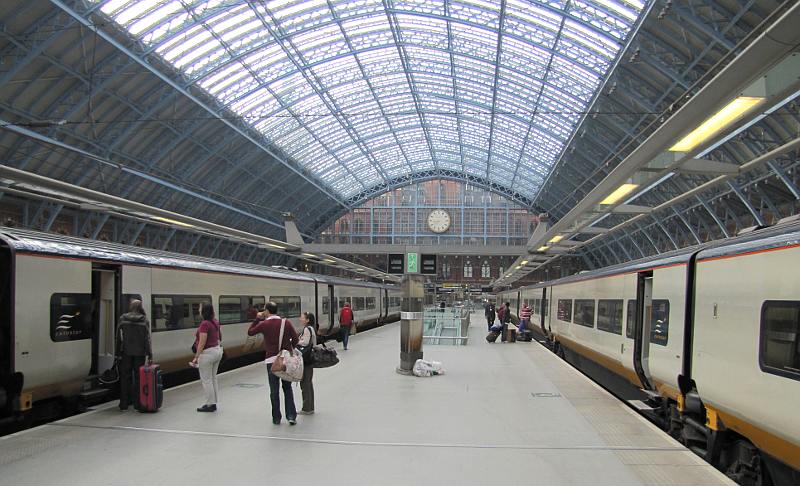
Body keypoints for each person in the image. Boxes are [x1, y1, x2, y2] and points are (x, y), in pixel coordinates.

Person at [248, 301, 299, 425]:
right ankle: (291, 415)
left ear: (266, 311)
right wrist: (289, 351)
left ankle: (276, 418)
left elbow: (250, 332)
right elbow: (296, 339)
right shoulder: (286, 323)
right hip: (285, 361)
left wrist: (257, 319)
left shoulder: (264, 324)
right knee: (287, 388)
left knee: (274, 390)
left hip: (271, 362)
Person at [116, 299, 152, 411]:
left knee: (125, 378)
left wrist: (117, 352)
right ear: (140, 307)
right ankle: (137, 403)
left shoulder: (123, 319)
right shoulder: (144, 320)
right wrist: (150, 354)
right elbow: (147, 339)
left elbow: (118, 337)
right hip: (140, 353)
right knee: (138, 378)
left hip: (126, 352)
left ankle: (124, 403)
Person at [191, 303, 223, 412]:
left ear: (203, 311)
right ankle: (214, 402)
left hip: (208, 354)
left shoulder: (204, 324)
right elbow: (220, 337)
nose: (198, 310)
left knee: (206, 380)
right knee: (213, 378)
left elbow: (202, 342)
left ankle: (210, 404)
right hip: (217, 351)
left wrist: (196, 357)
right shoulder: (215, 322)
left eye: (200, 309)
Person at [298, 311, 317, 415]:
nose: (301, 319)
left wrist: (295, 341)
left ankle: (306, 408)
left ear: (307, 320)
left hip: (306, 360)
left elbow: (304, 343)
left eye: (302, 317)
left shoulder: (307, 329)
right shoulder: (312, 328)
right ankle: (310, 407)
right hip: (310, 359)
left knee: (305, 383)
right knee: (308, 383)